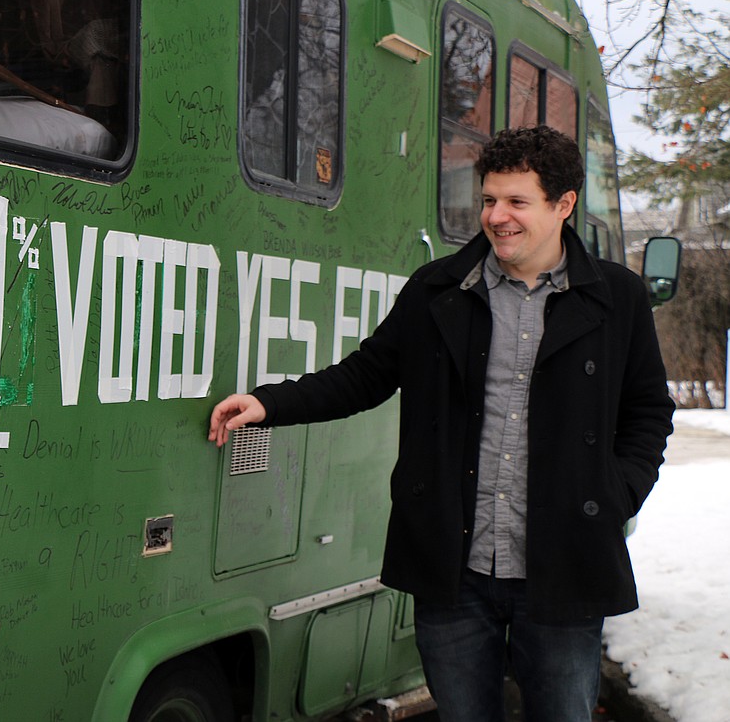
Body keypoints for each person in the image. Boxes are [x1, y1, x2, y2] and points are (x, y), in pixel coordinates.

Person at [208, 126, 674, 722]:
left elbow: (649, 410)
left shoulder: (617, 297)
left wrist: (616, 493)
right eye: (488, 200)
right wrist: (271, 404)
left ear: (564, 205)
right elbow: (365, 375)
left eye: (516, 202)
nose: (496, 216)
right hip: (456, 573)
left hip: (564, 566)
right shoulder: (439, 290)